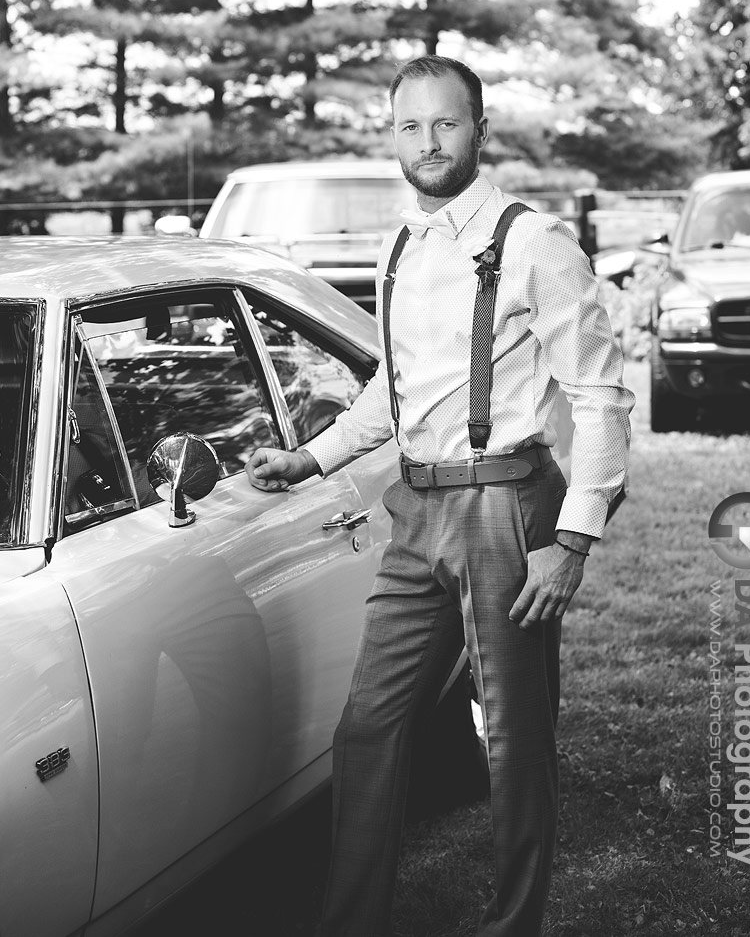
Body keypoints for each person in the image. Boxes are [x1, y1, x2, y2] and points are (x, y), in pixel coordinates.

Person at [245, 54, 634, 937]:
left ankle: (513, 924)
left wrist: (572, 540)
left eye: (445, 123)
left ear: (479, 130)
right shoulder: (397, 244)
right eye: (409, 126)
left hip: (506, 505)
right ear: (393, 134)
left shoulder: (530, 241)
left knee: (513, 742)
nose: (427, 142)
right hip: (414, 511)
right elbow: (395, 388)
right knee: (367, 728)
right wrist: (311, 459)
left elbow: (599, 393)